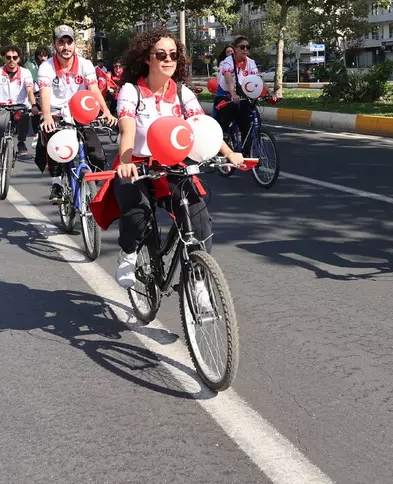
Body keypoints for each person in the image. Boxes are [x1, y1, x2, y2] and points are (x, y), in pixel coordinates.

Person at [112, 28, 244, 290]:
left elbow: (202, 127)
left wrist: (230, 154)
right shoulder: (131, 91)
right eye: (160, 54)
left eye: (173, 54)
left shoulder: (183, 94)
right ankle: (128, 254)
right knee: (138, 214)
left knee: (199, 219)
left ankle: (197, 283)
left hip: (173, 165)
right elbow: (127, 130)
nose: (168, 59)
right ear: (147, 58)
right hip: (137, 165)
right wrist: (126, 163)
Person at [36, 25, 117, 202]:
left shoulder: (86, 64)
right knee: (56, 145)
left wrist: (107, 112)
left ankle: (90, 189)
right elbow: (45, 93)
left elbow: (94, 90)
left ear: (74, 44)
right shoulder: (46, 67)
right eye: (61, 42)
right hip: (56, 113)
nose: (66, 47)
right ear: (54, 45)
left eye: (69, 42)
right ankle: (57, 182)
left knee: (96, 154)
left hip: (80, 113)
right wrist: (47, 115)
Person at [0, 44, 37, 182]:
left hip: (19, 106)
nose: (11, 60)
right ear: (3, 58)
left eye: (14, 57)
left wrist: (34, 105)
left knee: (25, 115)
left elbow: (30, 90)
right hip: (2, 107)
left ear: (19, 58)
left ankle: (21, 142)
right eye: (8, 57)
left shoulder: (26, 73)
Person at [213, 36, 269, 149]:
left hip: (241, 94)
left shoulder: (250, 62)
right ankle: (223, 145)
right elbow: (229, 80)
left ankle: (247, 151)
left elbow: (258, 78)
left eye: (247, 47)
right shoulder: (228, 62)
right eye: (242, 47)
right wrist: (233, 94)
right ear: (235, 49)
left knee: (248, 120)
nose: (245, 50)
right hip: (225, 94)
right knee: (225, 118)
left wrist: (270, 93)